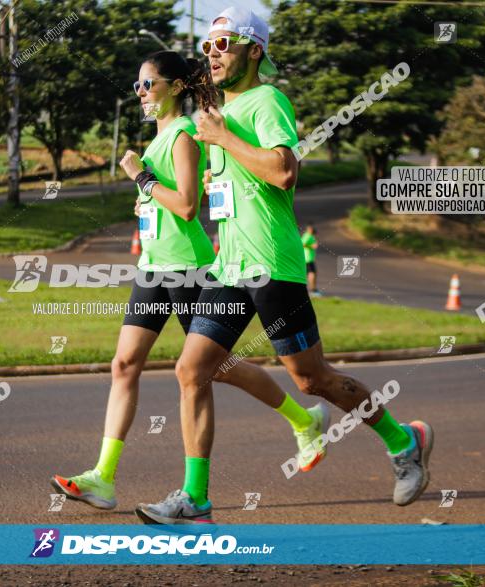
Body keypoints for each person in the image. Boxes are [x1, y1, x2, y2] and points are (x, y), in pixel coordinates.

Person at [135, 7, 433, 525]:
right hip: (230, 269)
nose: (214, 54)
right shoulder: (218, 114)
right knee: (191, 369)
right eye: (208, 47)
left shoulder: (267, 100)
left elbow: (284, 171)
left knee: (312, 381)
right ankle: (196, 499)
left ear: (255, 50)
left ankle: (403, 439)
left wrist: (223, 139)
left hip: (274, 266)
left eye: (224, 44)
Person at [50, 51, 329, 515]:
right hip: (155, 266)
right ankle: (102, 477)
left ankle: (303, 420)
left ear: (176, 87)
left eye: (148, 83)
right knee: (124, 364)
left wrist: (140, 177)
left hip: (189, 266)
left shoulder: (182, 135)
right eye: (136, 85)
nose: (140, 92)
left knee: (213, 368)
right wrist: (145, 198)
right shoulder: (157, 141)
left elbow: (184, 205)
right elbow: (163, 202)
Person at [301, 224, 321, 296]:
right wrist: (311, 246)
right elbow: (302, 244)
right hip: (307, 259)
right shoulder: (307, 236)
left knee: (312, 273)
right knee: (312, 273)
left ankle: (313, 290)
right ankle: (313, 290)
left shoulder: (310, 236)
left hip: (309, 259)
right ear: (308, 229)